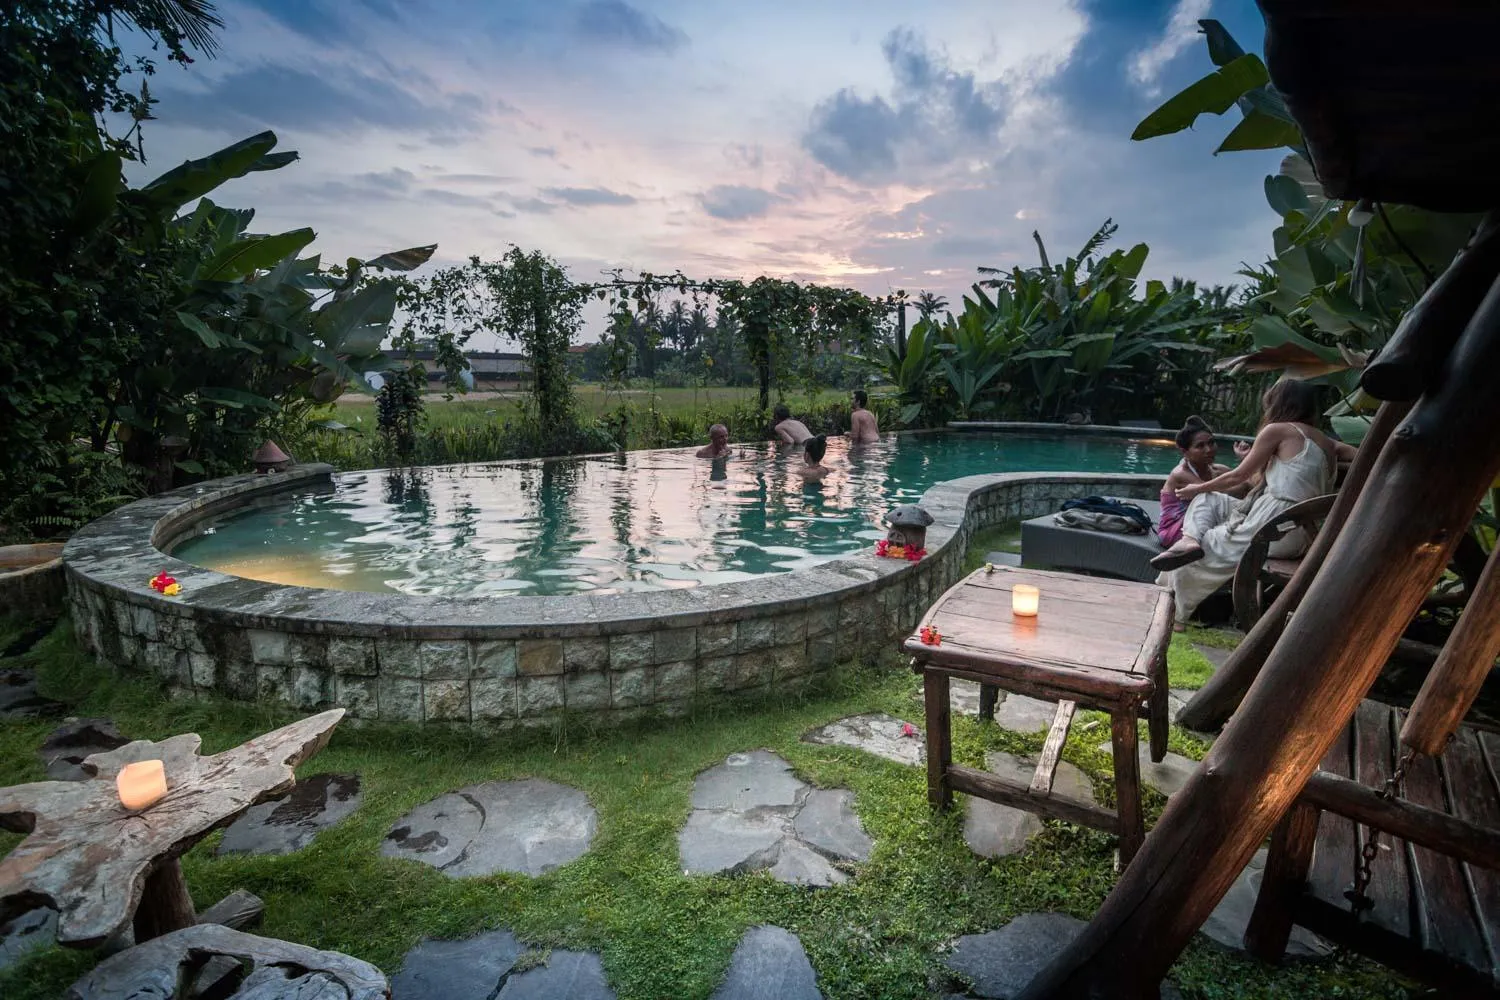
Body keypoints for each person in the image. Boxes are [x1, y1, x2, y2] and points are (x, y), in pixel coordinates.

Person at [1150, 379, 1356, 627]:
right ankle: (1189, 539)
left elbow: (1239, 476)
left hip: (1276, 526)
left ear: (1278, 404)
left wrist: (1197, 487)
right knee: (1209, 500)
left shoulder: (1278, 430)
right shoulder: (1328, 442)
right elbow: (1362, 454)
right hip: (1300, 530)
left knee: (1209, 541)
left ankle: (1175, 613)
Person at [1157, 416, 1237, 549]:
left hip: (1203, 524)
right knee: (1210, 498)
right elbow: (1221, 495)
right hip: (1176, 531)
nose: (1209, 449)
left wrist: (1246, 458)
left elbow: (1247, 484)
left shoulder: (1219, 469)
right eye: (1200, 446)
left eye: (1211, 443)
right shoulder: (1180, 474)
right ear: (1185, 452)